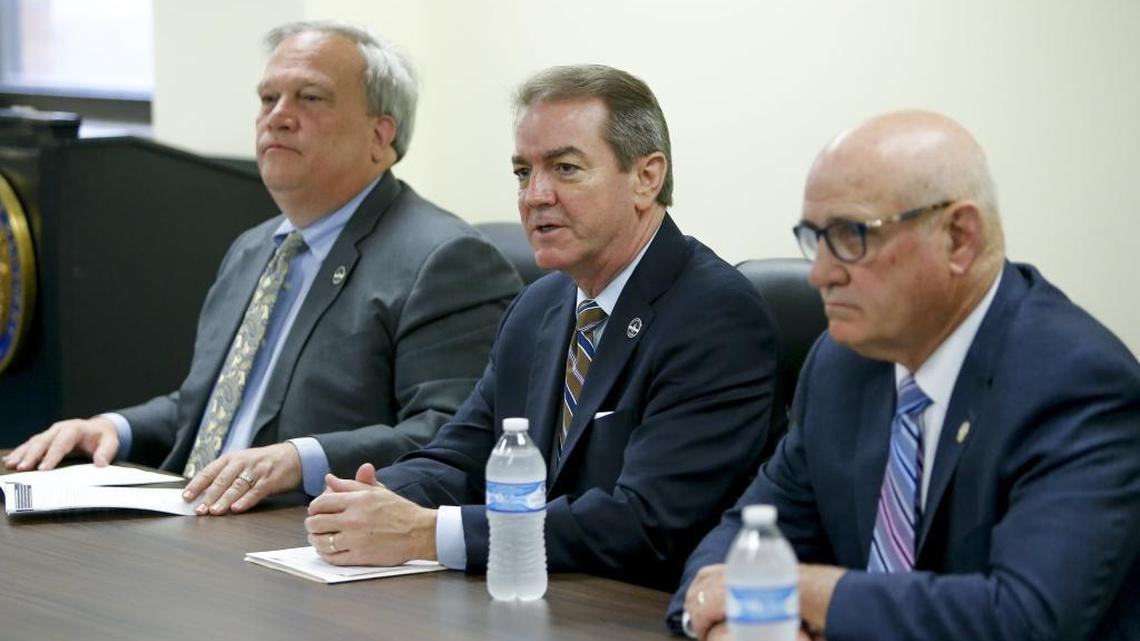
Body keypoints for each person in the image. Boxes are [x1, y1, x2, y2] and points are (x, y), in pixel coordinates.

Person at [2, 21, 521, 516]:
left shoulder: (445, 259)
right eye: (268, 98)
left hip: (306, 540)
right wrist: (113, 428)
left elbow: (452, 436)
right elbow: (215, 404)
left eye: (310, 98)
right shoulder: (256, 247)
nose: (278, 115)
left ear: (380, 136)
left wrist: (303, 460)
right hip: (193, 518)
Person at [303, 64, 783, 589]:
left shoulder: (715, 315)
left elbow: (646, 522)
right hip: (531, 598)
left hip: (629, 613)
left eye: (565, 169)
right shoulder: (542, 304)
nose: (535, 196)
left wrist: (423, 532)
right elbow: (464, 453)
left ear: (647, 177)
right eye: (523, 172)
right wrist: (372, 500)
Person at [671, 110, 1140, 640]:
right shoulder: (841, 366)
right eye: (814, 238)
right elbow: (743, 537)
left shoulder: (1077, 383)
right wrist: (722, 622)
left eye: (852, 235)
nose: (821, 273)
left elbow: (1023, 618)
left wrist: (796, 591)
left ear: (959, 238)